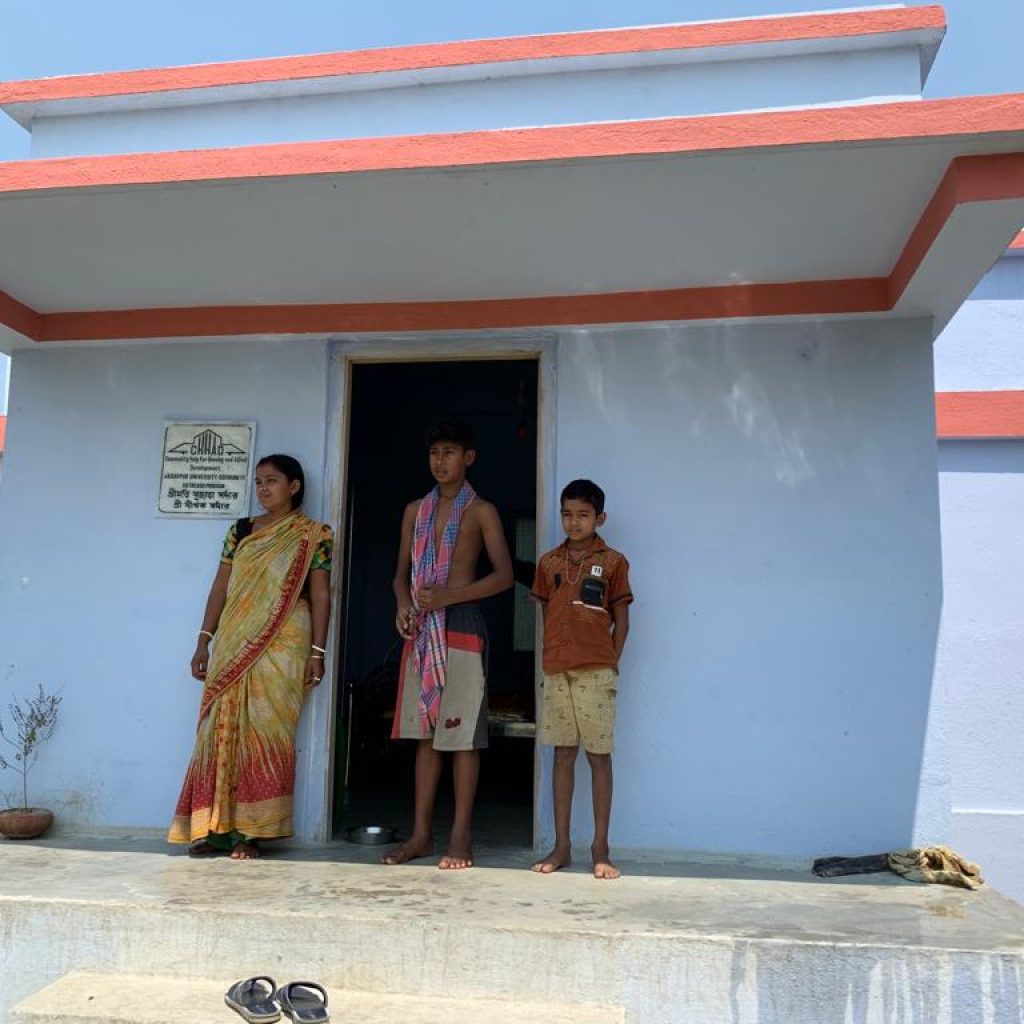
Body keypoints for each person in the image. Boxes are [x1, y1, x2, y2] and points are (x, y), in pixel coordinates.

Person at [168, 454, 333, 860]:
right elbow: (220, 588)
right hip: (234, 642)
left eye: (271, 481)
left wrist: (318, 651)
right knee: (217, 732)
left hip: (285, 645)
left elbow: (322, 594)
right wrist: (203, 640)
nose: (262, 489)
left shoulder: (314, 535)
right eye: (258, 482)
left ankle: (250, 833)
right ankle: (210, 827)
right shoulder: (240, 531)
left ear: (294, 487)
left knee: (266, 733)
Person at [382, 419, 513, 870]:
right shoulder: (414, 511)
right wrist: (403, 604)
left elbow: (504, 576)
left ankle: (460, 836)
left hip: (460, 625)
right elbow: (401, 574)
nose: (441, 461)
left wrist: (448, 597)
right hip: (421, 630)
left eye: (450, 452)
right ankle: (420, 835)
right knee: (425, 738)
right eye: (435, 452)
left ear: (468, 458)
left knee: (460, 739)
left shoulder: (482, 512)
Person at [531, 479, 633, 879]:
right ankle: (561, 845)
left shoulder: (613, 561)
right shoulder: (549, 562)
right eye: (567, 514)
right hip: (557, 668)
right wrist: (553, 653)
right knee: (562, 754)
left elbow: (622, 622)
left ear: (599, 518)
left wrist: (611, 661)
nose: (574, 522)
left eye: (583, 515)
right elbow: (546, 613)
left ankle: (600, 847)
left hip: (596, 670)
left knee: (598, 757)